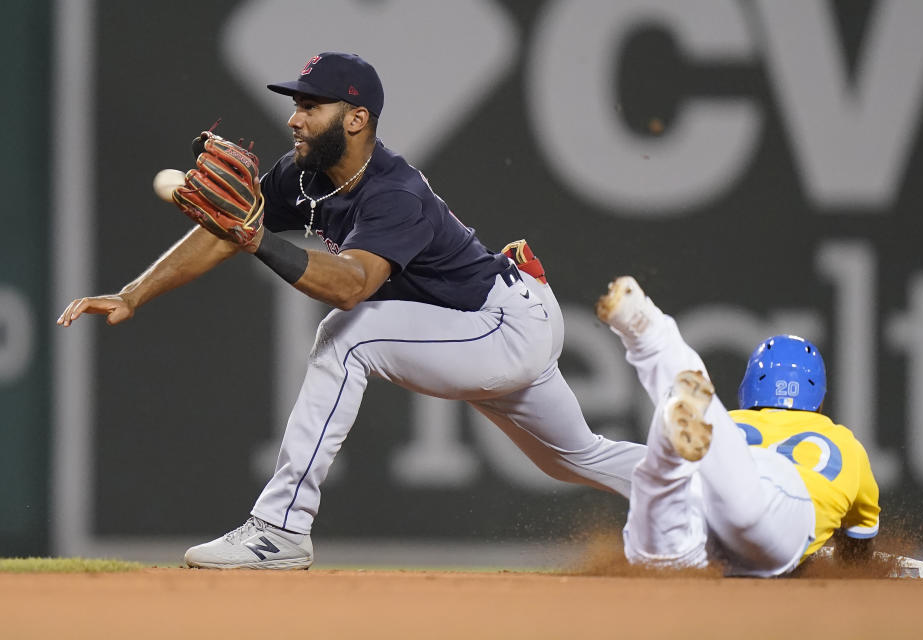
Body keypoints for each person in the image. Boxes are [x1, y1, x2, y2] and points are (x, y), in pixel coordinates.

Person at [57, 52, 647, 569]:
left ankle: (280, 529)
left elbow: (350, 286)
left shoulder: (395, 192)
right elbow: (224, 228)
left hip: (501, 327)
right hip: (491, 320)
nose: (294, 117)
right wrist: (134, 292)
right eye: (296, 104)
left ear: (356, 118)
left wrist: (257, 239)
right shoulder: (303, 177)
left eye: (312, 106)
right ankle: (717, 486)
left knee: (348, 336)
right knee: (576, 458)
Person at [594, 276, 880, 576]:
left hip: (712, 506)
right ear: (819, 396)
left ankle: (653, 345)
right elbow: (857, 550)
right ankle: (666, 434)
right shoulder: (844, 443)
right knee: (743, 513)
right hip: (780, 501)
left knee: (658, 560)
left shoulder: (732, 422)